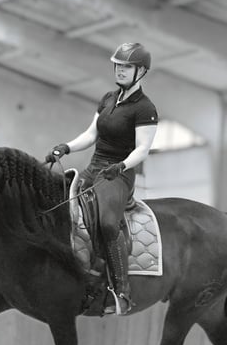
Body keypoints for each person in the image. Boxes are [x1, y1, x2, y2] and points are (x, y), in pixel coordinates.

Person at [46, 42, 158, 315]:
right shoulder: (108, 98)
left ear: (141, 71)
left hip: (119, 174)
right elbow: (91, 135)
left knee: (108, 223)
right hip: (94, 168)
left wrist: (120, 166)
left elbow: (142, 149)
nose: (120, 70)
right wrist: (67, 147)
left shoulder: (145, 108)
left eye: (127, 67)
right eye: (118, 65)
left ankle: (121, 290)